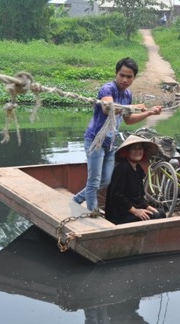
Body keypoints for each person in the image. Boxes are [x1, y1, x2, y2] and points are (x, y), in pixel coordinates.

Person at [72, 57, 162, 211]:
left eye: (129, 76)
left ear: (134, 78)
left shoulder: (127, 95)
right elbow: (108, 108)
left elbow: (128, 120)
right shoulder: (107, 89)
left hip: (111, 143)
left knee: (106, 180)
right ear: (116, 73)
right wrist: (133, 107)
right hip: (96, 141)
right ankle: (92, 212)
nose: (125, 79)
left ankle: (77, 199)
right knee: (94, 181)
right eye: (122, 75)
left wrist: (148, 113)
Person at [104, 135, 166, 224]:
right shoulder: (122, 169)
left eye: (140, 149)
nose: (138, 152)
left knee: (161, 213)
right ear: (127, 152)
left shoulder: (138, 169)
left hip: (132, 208)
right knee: (155, 217)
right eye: (134, 149)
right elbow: (116, 196)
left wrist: (147, 206)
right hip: (119, 213)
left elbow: (139, 196)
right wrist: (135, 211)